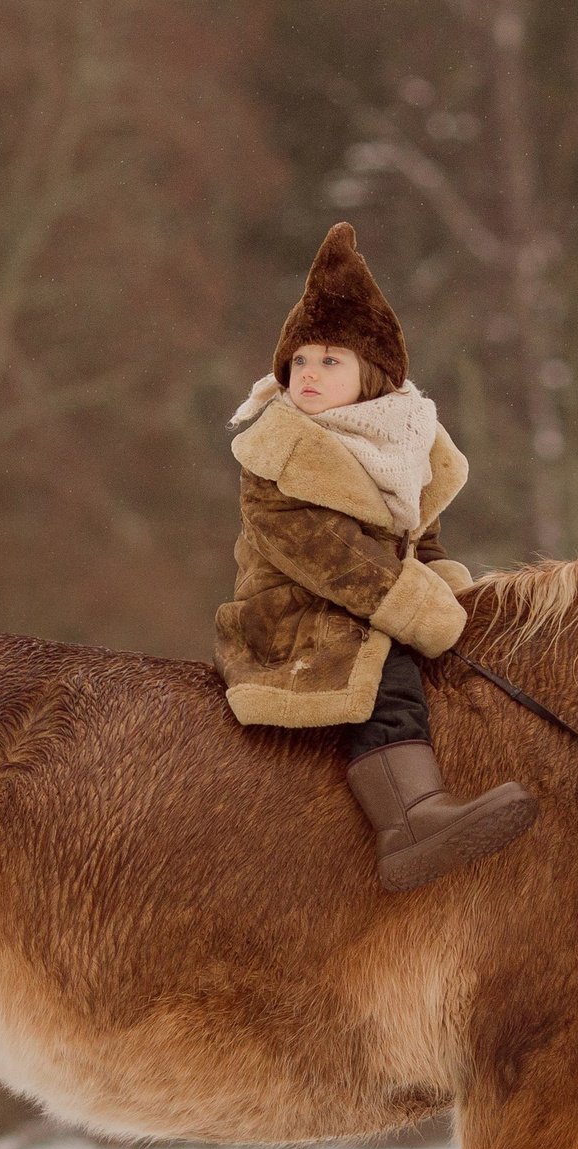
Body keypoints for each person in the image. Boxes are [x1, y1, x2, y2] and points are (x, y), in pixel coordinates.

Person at [216, 223, 536, 892]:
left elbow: (428, 541)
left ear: (373, 376)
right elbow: (322, 554)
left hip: (380, 598)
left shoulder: (406, 445)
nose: (308, 374)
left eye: (330, 361)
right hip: (296, 613)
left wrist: (459, 599)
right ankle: (410, 819)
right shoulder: (278, 452)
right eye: (300, 361)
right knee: (381, 663)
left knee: (454, 669)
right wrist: (421, 608)